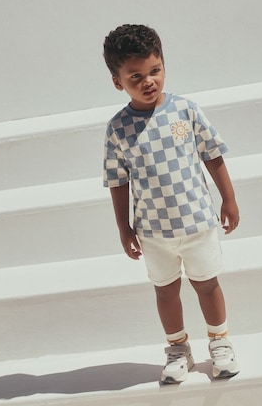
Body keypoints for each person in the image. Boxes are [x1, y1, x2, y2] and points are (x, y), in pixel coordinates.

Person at [102, 24, 240, 385]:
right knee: (165, 291)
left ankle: (219, 342)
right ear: (118, 81)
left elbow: (212, 154)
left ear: (163, 65)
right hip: (153, 231)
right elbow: (118, 181)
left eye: (155, 71)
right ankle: (178, 348)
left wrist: (229, 198)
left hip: (197, 221)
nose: (148, 81)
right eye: (135, 76)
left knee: (207, 284)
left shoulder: (185, 110)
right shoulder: (118, 129)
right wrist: (123, 226)